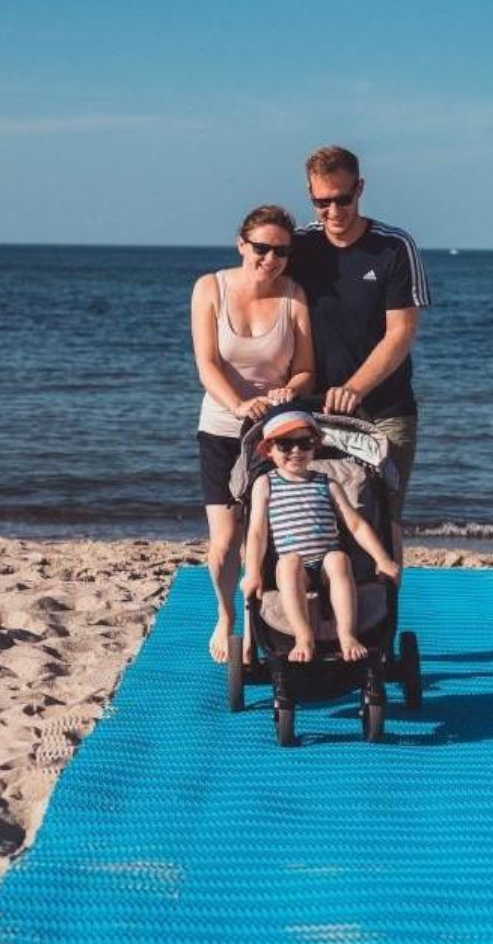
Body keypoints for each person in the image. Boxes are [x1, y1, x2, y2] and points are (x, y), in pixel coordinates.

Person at [287, 146, 431, 557]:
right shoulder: (298, 247)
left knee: (383, 523)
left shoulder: (394, 247)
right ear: (310, 195)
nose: (333, 211)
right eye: (321, 202)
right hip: (313, 411)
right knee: (316, 521)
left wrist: (355, 387)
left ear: (360, 189)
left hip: (386, 411)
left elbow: (401, 333)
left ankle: (383, 621)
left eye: (343, 199)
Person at [191, 205, 314, 664]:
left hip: (276, 433)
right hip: (222, 427)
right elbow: (207, 363)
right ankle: (225, 616)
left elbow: (305, 370)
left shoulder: (294, 296)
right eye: (261, 248)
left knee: (260, 536)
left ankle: (254, 617)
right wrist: (238, 404)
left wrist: (289, 391)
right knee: (224, 543)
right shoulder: (210, 288)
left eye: (281, 250)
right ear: (242, 244)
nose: (270, 258)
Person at [241, 410, 400, 664]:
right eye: (285, 444)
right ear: (269, 449)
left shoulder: (327, 483)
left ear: (315, 446)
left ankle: (346, 635)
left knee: (338, 558)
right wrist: (252, 572)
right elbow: (257, 532)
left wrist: (382, 559)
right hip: (295, 569)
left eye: (305, 443)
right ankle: (304, 637)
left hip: (327, 566)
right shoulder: (266, 483)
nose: (296, 450)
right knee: (289, 563)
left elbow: (355, 524)